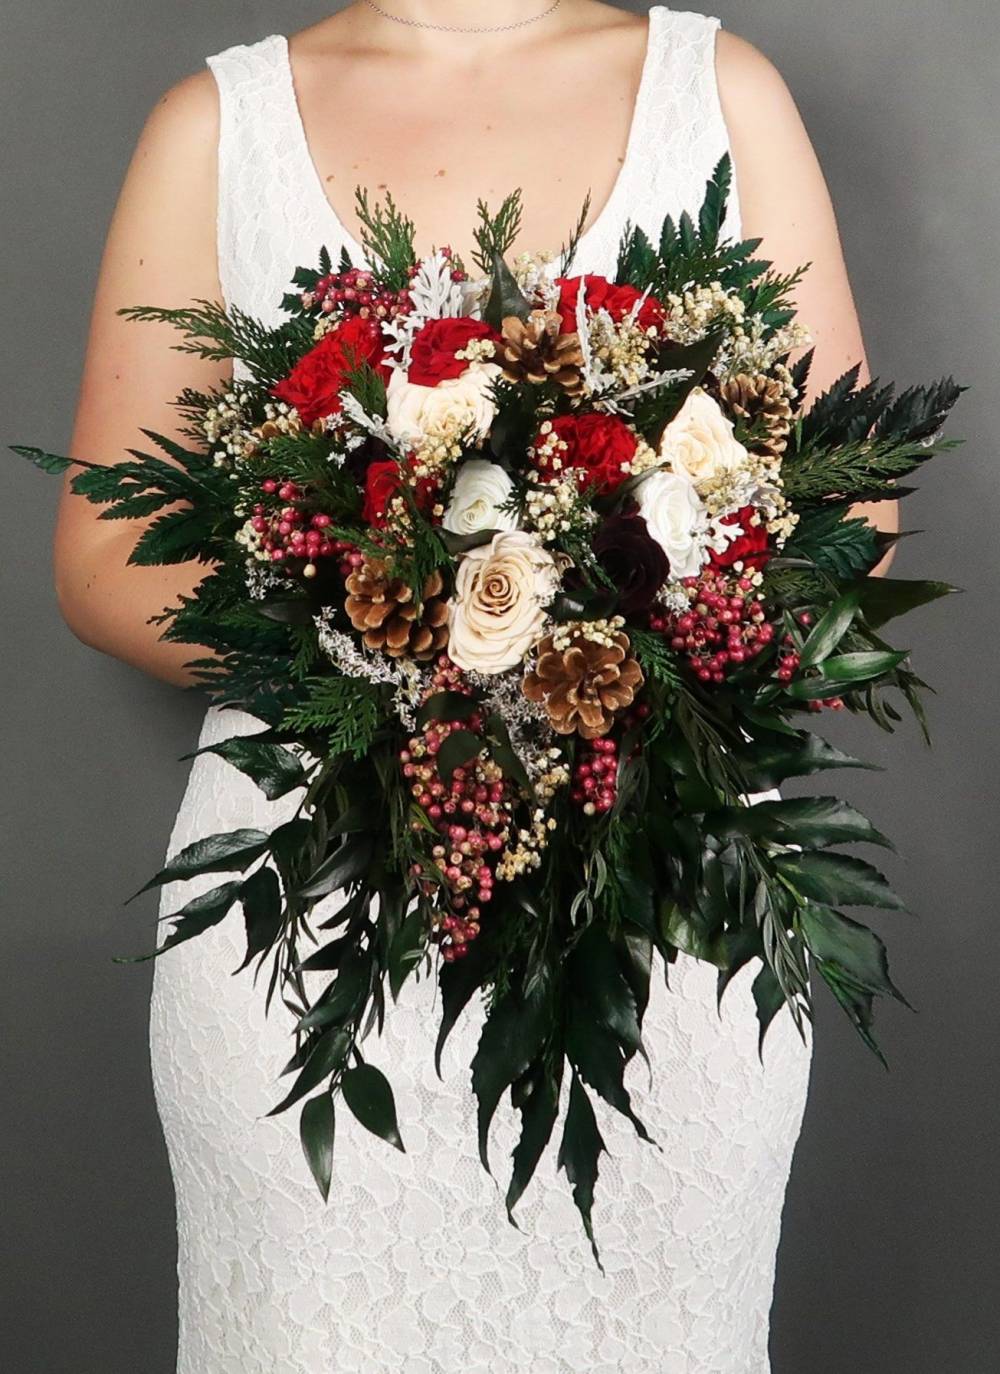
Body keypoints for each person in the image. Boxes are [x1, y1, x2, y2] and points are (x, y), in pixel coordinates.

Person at [53, 4, 899, 1371]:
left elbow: (849, 511)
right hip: (317, 926)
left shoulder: (722, 93)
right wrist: (389, 632)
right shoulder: (213, 127)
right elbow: (100, 553)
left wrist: (604, 618)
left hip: (656, 920)